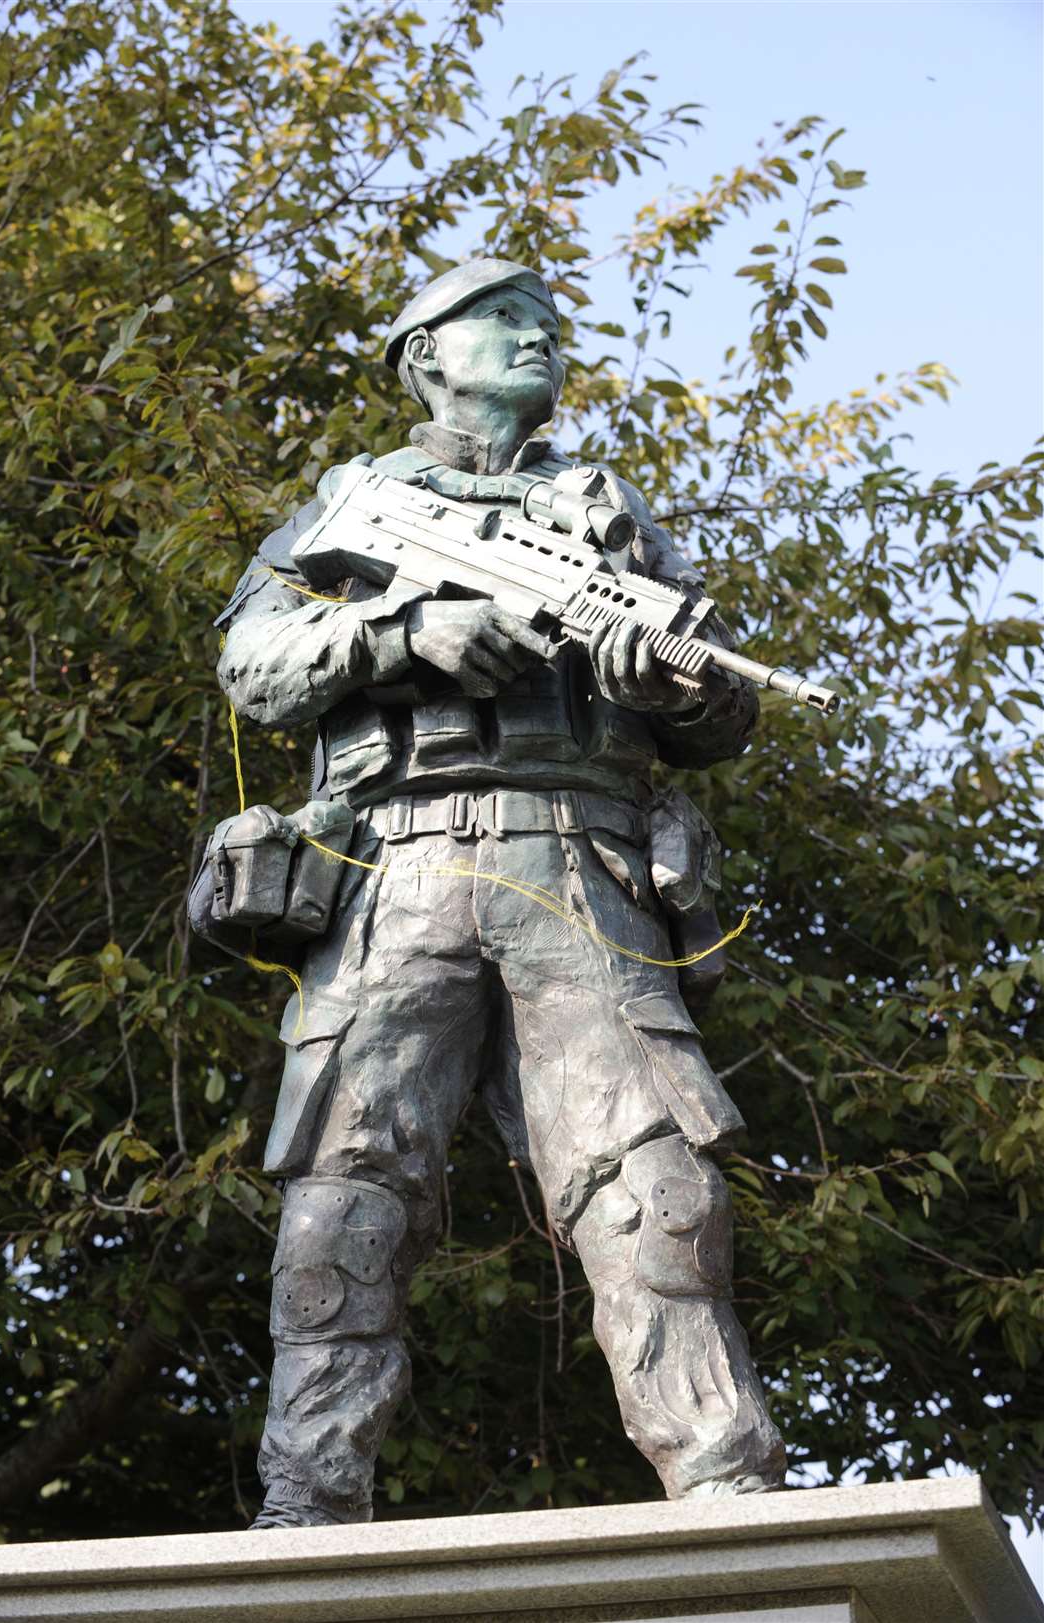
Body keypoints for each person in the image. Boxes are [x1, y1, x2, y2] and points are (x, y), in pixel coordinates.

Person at [215, 258, 786, 1529]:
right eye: (504, 320)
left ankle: (728, 1483)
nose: (541, 337)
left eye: (549, 322)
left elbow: (722, 707)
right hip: (392, 875)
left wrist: (664, 684)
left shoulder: (606, 518)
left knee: (654, 1186)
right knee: (345, 1197)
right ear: (426, 356)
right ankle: (307, 1502)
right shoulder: (353, 507)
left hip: (575, 870)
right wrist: (401, 636)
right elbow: (253, 662)